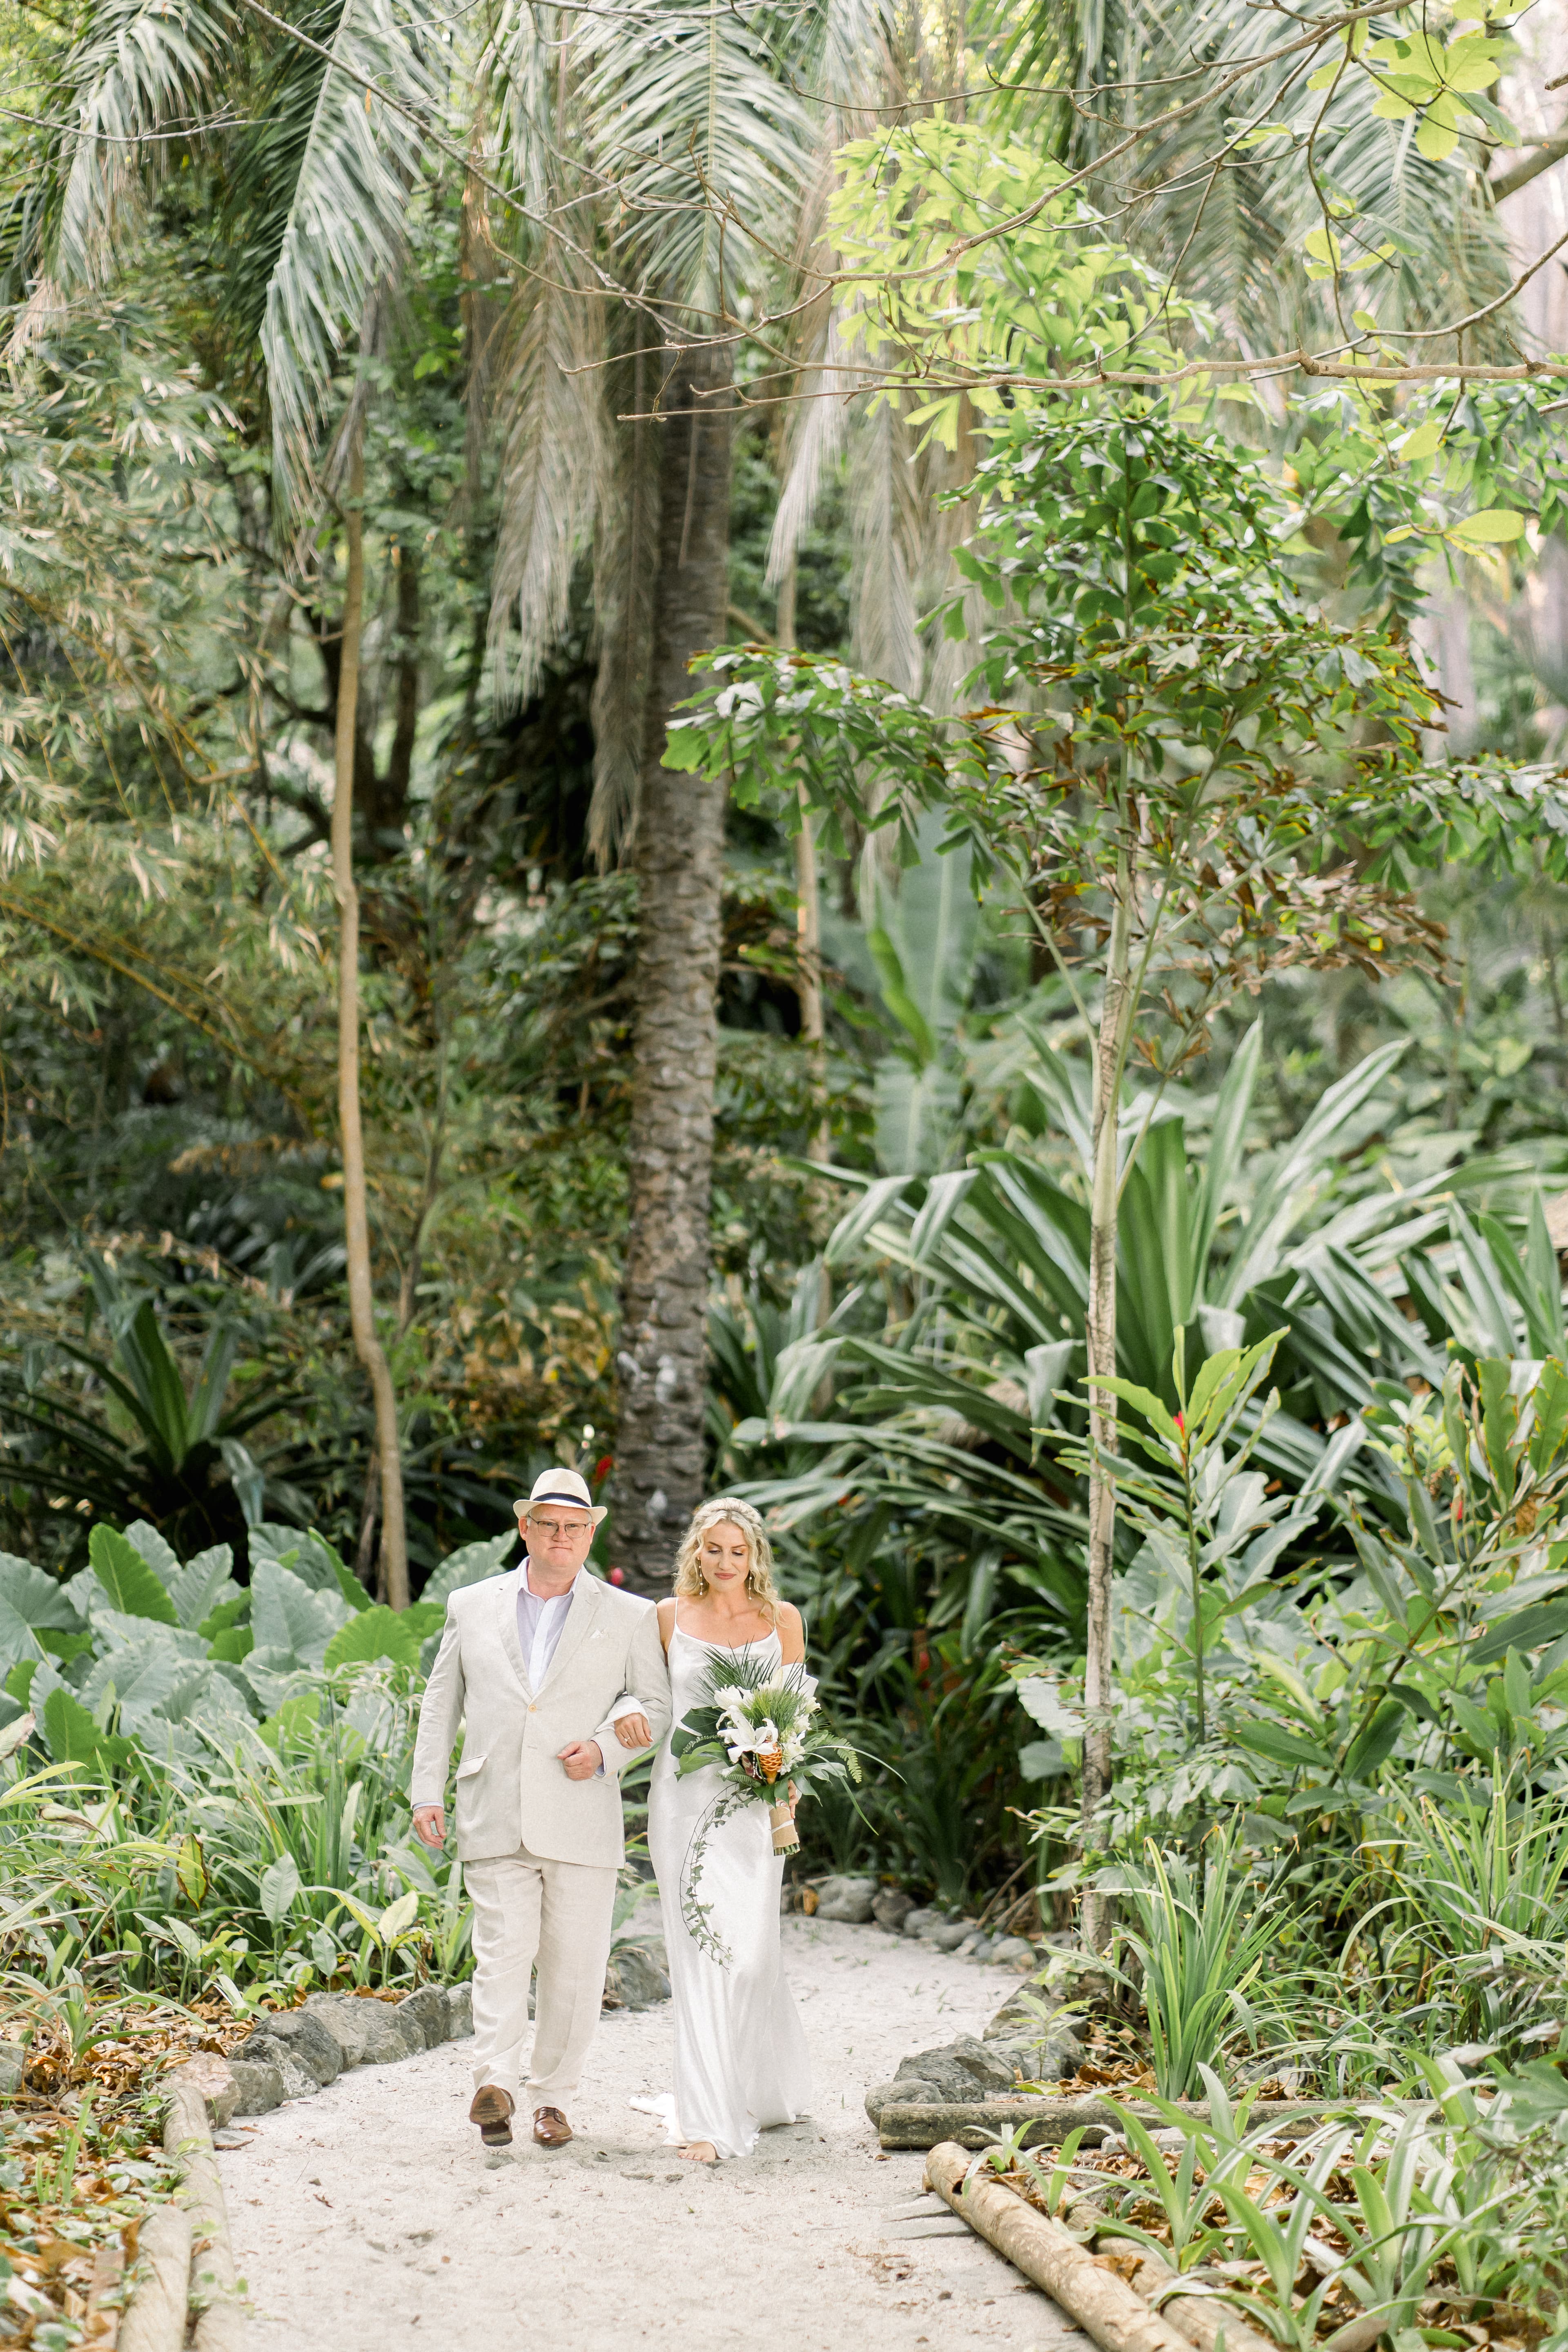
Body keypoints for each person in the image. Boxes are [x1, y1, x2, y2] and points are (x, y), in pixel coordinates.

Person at [410, 1468, 670, 2152]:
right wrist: (426, 1790)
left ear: (591, 1534)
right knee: (500, 1954)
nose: (562, 1536)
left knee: (574, 1968)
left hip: (582, 1808)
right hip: (493, 1804)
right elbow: (442, 1702)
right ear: (524, 1528)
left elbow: (655, 1704)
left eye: (575, 1527)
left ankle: (553, 2100)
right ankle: (494, 2084)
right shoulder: (470, 1605)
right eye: (549, 1524)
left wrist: (610, 1748)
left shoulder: (631, 1615)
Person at [621, 1495, 812, 2165]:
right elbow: (640, 1694)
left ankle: (758, 2088)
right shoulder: (667, 1618)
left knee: (753, 1955)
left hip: (754, 1805)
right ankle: (707, 2121)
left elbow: (793, 1716)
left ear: (755, 1556)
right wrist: (624, 1718)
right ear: (696, 1552)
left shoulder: (780, 1620)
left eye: (738, 1551)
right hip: (683, 1802)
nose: (726, 1562)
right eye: (714, 1549)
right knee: (702, 1955)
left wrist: (781, 1775)